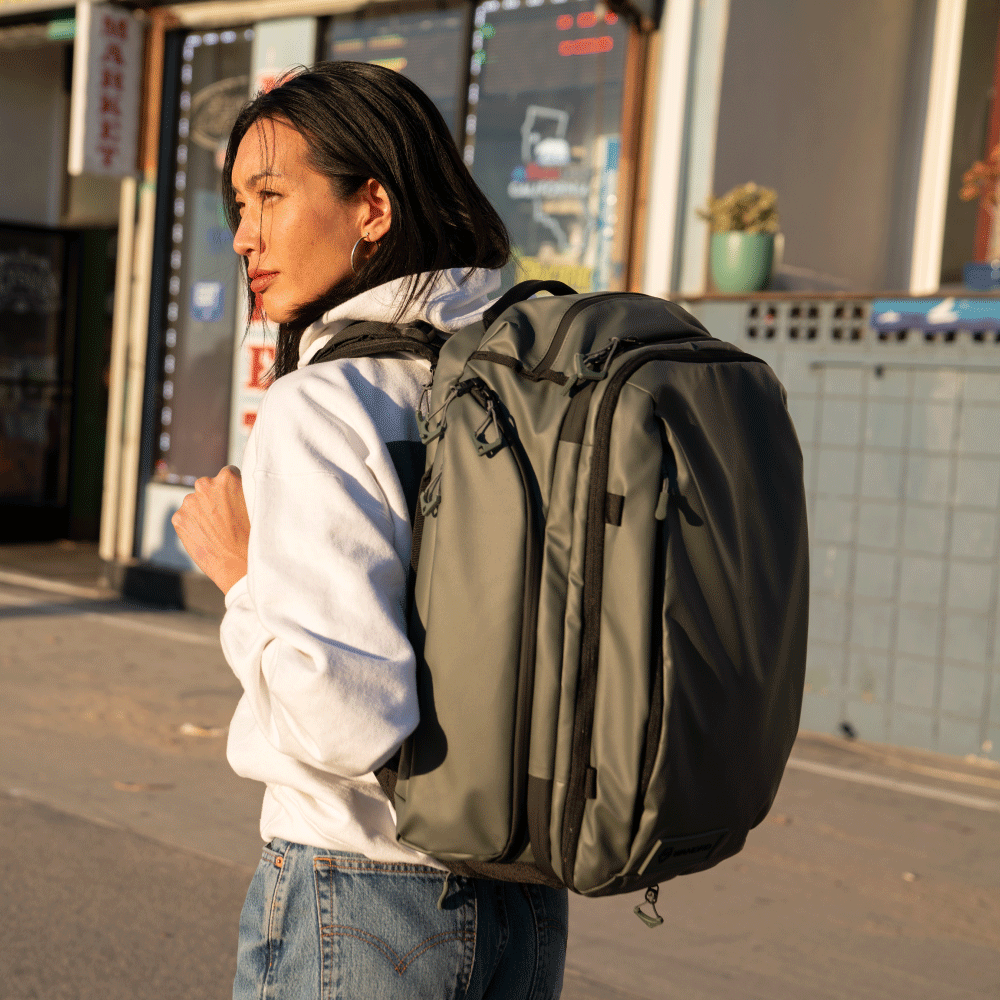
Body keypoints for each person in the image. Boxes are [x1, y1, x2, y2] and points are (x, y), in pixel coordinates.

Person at [171, 61, 568, 1000]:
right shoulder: (526, 378)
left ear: (374, 208)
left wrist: (239, 576)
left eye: (272, 195)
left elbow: (343, 719)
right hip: (524, 900)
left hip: (361, 893)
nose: (244, 234)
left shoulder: (325, 403)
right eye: (239, 202)